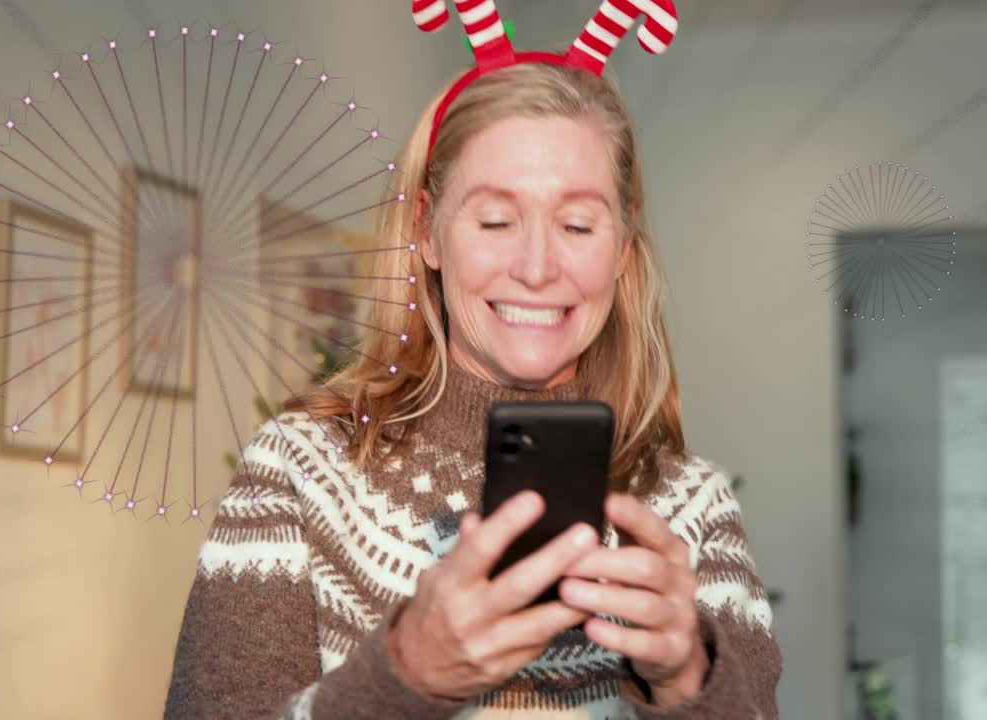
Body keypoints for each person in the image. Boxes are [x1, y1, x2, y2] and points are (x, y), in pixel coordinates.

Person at [164, 3, 781, 718]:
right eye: (495, 219)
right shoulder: (299, 475)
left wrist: (686, 676)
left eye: (578, 224)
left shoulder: (692, 509)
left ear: (622, 251)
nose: (537, 266)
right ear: (426, 232)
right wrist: (403, 673)